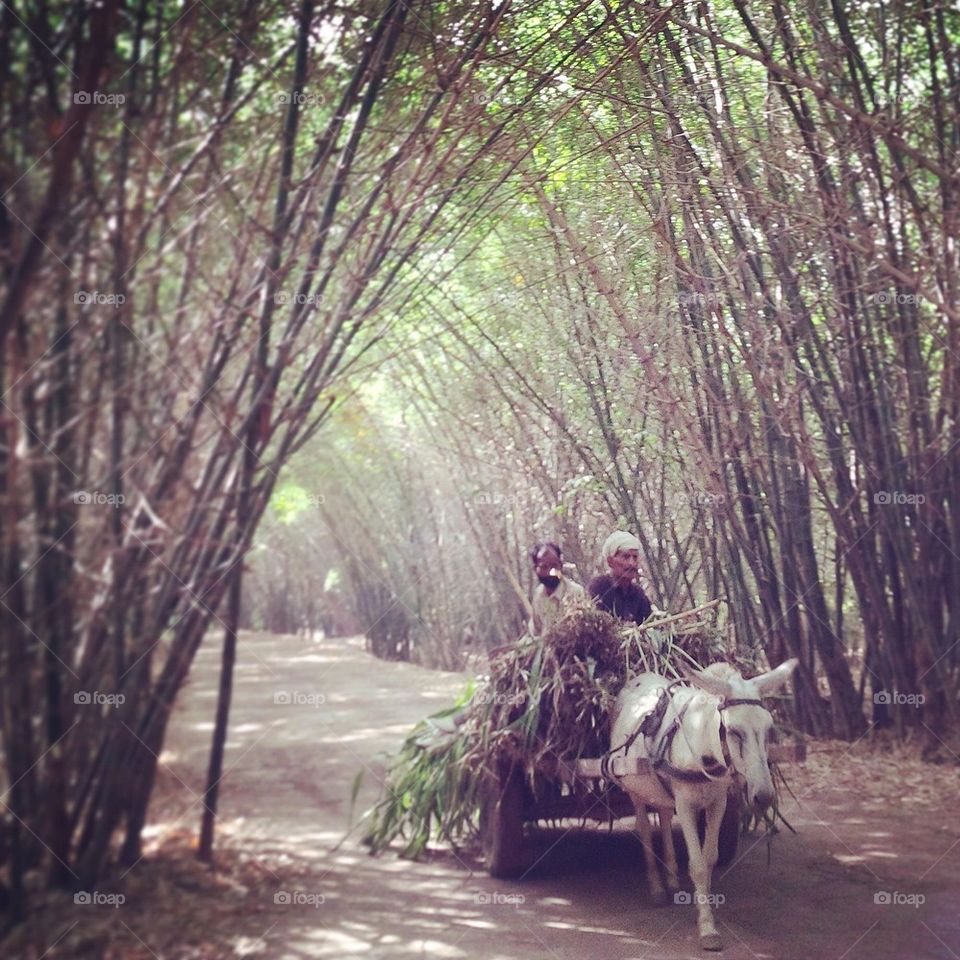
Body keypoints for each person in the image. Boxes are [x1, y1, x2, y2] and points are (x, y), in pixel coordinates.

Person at [588, 531, 654, 624]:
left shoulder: (639, 595)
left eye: (635, 557)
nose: (632, 563)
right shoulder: (598, 588)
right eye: (626, 557)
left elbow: (647, 624)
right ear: (610, 561)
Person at [529, 541, 585, 637]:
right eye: (544, 567)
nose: (550, 571)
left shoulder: (575, 592)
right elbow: (536, 631)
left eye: (554, 566)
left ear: (561, 565)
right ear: (535, 569)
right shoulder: (538, 595)